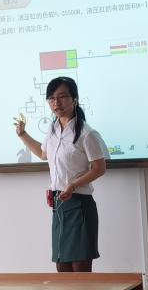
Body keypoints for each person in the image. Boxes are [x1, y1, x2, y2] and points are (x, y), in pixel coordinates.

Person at [14, 76, 107, 271]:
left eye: (62, 97)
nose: (56, 103)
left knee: (80, 270)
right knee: (62, 268)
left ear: (75, 100)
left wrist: (73, 185)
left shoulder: (87, 134)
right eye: (52, 98)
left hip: (80, 205)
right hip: (59, 205)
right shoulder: (53, 129)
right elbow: (43, 154)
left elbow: (99, 168)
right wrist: (23, 134)